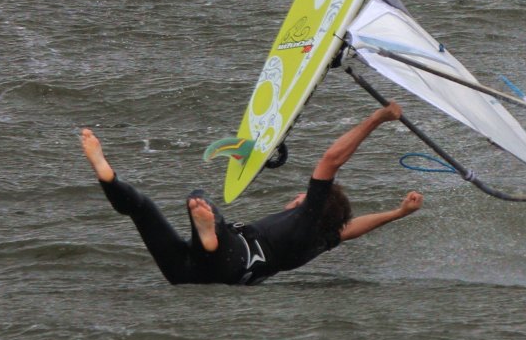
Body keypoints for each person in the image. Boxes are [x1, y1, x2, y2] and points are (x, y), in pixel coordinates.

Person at [80, 103, 423, 285]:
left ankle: (207, 235)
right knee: (148, 209)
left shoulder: (307, 217)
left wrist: (378, 118)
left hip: (230, 257)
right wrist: (397, 213)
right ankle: (201, 235)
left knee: (196, 201)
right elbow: (352, 229)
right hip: (189, 276)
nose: (295, 199)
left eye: (301, 198)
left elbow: (331, 160)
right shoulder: (318, 239)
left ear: (311, 205)